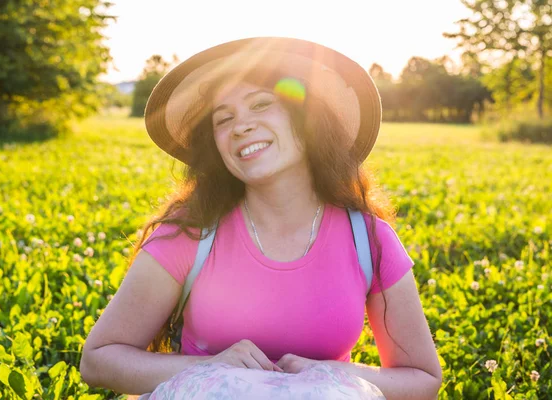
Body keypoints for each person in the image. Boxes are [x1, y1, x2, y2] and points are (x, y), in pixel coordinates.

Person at [79, 37, 443, 399]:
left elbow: (422, 378)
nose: (241, 127)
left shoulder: (369, 238)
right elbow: (98, 360)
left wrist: (330, 373)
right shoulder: (190, 231)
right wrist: (214, 366)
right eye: (224, 119)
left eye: (261, 104)